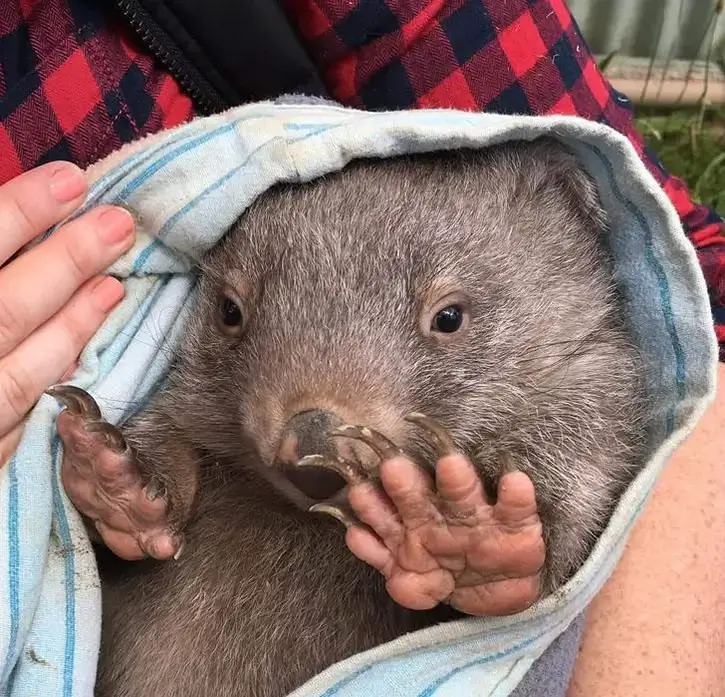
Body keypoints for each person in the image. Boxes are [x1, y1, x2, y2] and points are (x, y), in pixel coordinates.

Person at [0, 0, 723, 694]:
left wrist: (510, 566)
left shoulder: (556, 340)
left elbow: (688, 278)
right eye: (234, 317)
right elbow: (173, 408)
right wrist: (136, 483)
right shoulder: (232, 368)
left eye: (446, 321)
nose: (310, 445)